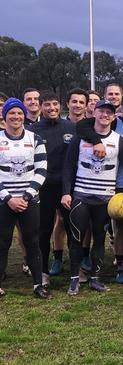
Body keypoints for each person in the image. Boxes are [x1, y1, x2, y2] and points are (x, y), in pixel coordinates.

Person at [61, 100, 123, 295]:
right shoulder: (80, 138)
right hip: (81, 196)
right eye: (101, 111)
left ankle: (95, 278)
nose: (104, 115)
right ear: (93, 113)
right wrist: (66, 192)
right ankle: (74, 279)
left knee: (99, 239)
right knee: (77, 239)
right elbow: (69, 167)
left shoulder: (119, 140)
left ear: (114, 117)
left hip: (105, 199)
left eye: (109, 113)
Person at [0, 98, 50, 299]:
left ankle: (38, 284)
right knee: (2, 243)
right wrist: (9, 198)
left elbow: (42, 169)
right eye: (11, 113)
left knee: (32, 242)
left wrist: (27, 195)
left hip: (29, 200)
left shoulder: (35, 138)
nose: (16, 117)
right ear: (5, 117)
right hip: (4, 201)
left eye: (19, 113)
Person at [27, 91, 75, 288]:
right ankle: (43, 271)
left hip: (67, 188)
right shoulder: (33, 130)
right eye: (47, 105)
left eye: (55, 104)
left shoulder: (71, 127)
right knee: (44, 231)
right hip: (44, 189)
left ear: (60, 104)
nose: (52, 108)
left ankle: (76, 270)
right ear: (41, 106)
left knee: (73, 230)